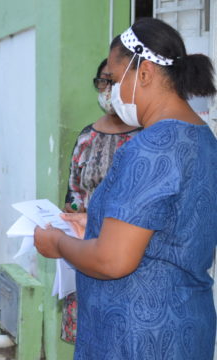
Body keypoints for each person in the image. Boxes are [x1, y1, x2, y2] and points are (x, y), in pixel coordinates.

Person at [34, 18, 217, 359]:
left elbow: (113, 260)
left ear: (144, 73)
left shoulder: (151, 146)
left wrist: (58, 242)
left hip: (135, 333)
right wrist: (96, 223)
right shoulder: (203, 138)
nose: (113, 92)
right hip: (187, 326)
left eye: (116, 80)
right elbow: (170, 230)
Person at [60, 58, 140, 344]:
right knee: (90, 341)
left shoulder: (147, 138)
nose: (107, 89)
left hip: (131, 259)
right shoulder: (86, 137)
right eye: (102, 82)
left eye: (114, 82)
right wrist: (68, 219)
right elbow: (73, 197)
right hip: (86, 254)